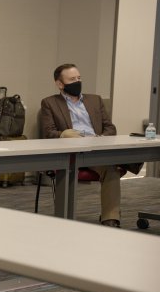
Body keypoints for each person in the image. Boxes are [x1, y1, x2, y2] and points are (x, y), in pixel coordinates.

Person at [41, 63, 133, 228]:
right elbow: (48, 132)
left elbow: (110, 127)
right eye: (72, 79)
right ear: (60, 84)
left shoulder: (95, 100)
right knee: (113, 167)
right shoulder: (50, 103)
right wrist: (63, 134)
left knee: (113, 166)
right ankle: (104, 218)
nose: (77, 82)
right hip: (72, 151)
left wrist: (101, 138)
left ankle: (110, 219)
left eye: (79, 78)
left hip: (97, 148)